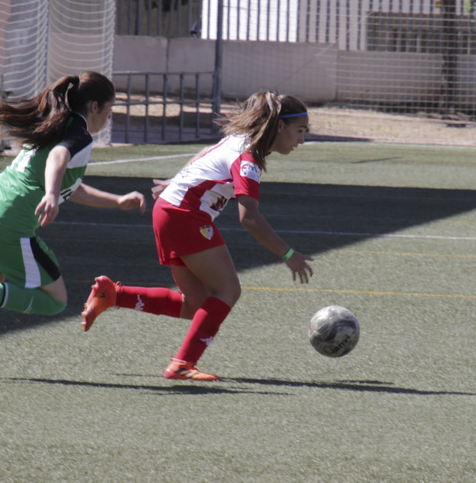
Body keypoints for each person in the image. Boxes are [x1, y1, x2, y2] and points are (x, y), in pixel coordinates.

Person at [0, 72, 146, 376]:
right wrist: (53, 194)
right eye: (110, 109)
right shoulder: (79, 135)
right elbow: (58, 158)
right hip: (8, 220)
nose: (109, 118)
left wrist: (116, 201)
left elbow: (72, 184)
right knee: (55, 300)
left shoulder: (55, 122)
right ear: (94, 106)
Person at [80, 91, 315, 381]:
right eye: (300, 131)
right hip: (184, 216)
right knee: (228, 290)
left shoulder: (240, 140)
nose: (302, 139)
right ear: (280, 126)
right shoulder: (248, 158)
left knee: (198, 305)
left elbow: (204, 155)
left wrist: (177, 180)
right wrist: (288, 255)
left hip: (171, 211)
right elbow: (249, 218)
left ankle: (113, 295)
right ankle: (182, 365)